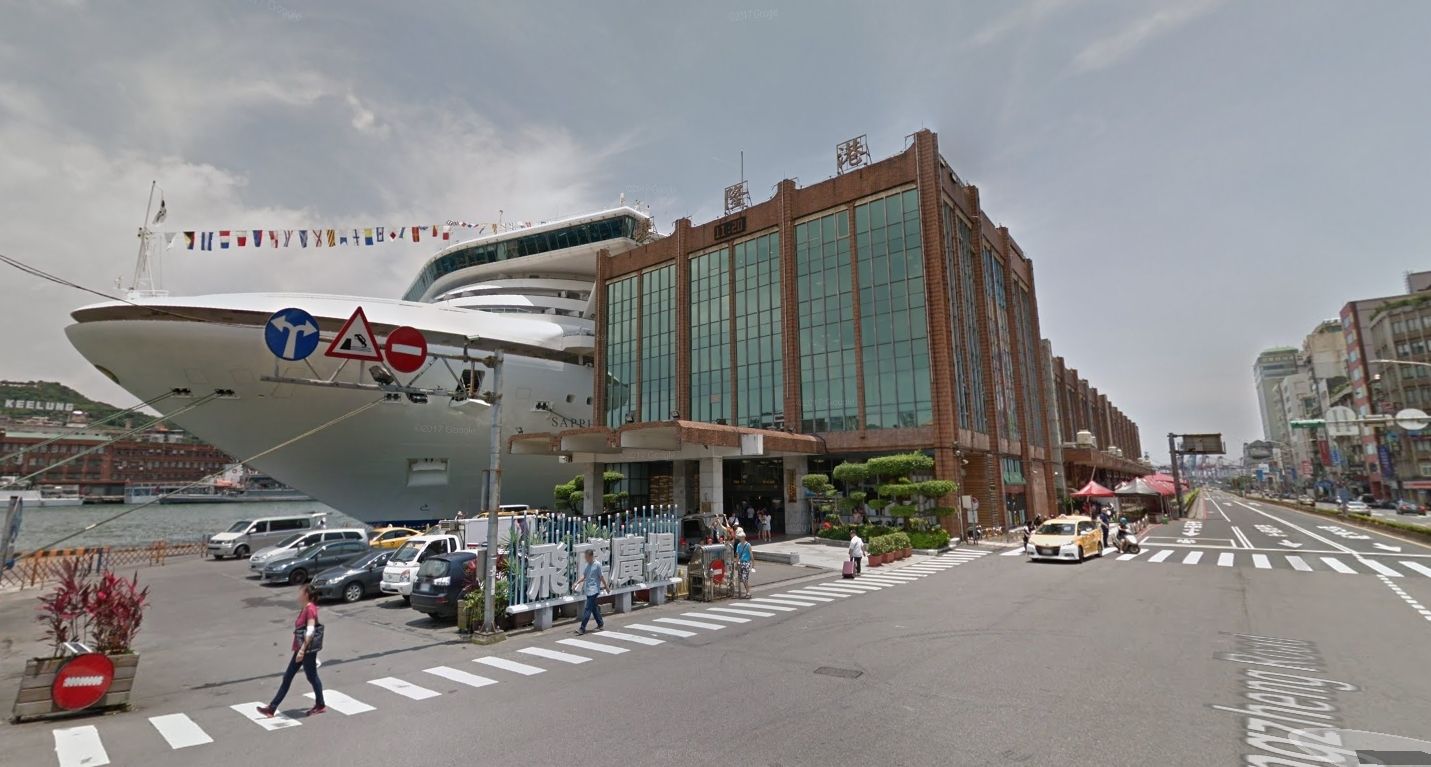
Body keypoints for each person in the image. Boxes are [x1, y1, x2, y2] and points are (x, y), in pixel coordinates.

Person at [258, 583, 325, 717]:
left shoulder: (310, 609)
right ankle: (272, 708)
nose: (298, 595)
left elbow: (310, 631)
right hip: (301, 649)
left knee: (311, 676)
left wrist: (302, 650)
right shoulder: (306, 608)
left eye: (300, 592)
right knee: (289, 677)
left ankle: (320, 705)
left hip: (306, 650)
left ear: (306, 594)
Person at [573, 549, 608, 635]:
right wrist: (577, 582)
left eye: (587, 557)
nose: (586, 559)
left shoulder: (597, 565)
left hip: (594, 590)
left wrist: (606, 587)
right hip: (588, 590)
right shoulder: (587, 565)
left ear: (591, 556)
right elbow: (584, 576)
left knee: (587, 609)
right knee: (594, 608)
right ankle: (600, 624)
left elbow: (601, 577)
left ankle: (582, 628)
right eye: (585, 557)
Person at [734, 531, 753, 598]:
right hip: (741, 562)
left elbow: (751, 554)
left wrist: (753, 564)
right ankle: (747, 592)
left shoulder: (748, 545)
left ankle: (748, 592)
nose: (739, 538)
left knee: (744, 578)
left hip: (746, 562)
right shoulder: (739, 545)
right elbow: (738, 555)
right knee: (742, 578)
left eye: (740, 537)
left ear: (743, 537)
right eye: (739, 537)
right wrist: (736, 564)